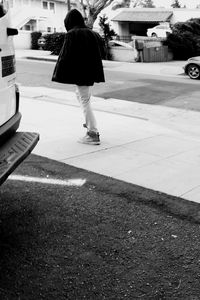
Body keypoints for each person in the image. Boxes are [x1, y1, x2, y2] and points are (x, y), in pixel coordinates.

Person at [52, 9, 105, 145]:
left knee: (84, 100)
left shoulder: (72, 34)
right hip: (90, 72)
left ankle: (92, 132)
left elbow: (65, 56)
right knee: (81, 97)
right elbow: (101, 50)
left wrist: (59, 74)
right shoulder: (92, 33)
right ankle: (89, 124)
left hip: (81, 73)